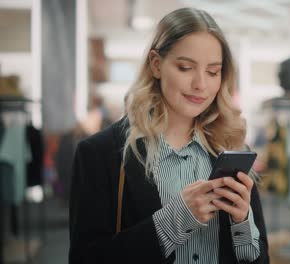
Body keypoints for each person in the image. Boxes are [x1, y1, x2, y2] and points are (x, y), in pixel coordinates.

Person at [68, 7, 269, 264]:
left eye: (212, 72)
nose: (201, 84)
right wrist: (175, 220)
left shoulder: (231, 149)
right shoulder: (100, 154)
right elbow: (85, 258)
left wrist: (242, 223)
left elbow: (261, 259)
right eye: (186, 67)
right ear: (156, 64)